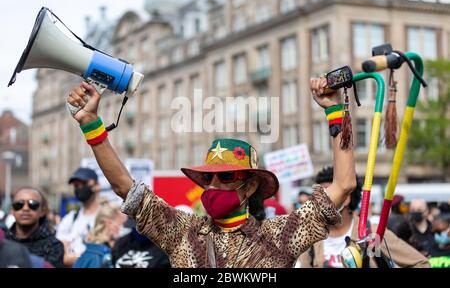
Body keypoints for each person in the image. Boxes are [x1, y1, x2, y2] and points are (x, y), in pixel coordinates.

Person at [65, 77, 356, 268]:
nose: (214, 184)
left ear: (251, 186)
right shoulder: (181, 231)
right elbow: (125, 188)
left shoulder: (278, 235)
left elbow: (343, 185)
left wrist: (334, 112)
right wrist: (91, 123)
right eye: (208, 177)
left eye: (227, 176)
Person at [298, 167, 430, 268]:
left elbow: (421, 263)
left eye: (327, 192)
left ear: (346, 199)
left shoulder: (372, 235)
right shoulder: (311, 239)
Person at [5, 187, 64, 268]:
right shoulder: (3, 241)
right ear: (12, 211)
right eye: (19, 204)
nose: (25, 208)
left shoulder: (54, 246)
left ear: (42, 211)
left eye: (33, 204)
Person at [56, 167, 101, 266]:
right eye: (76, 185)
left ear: (97, 186)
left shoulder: (107, 217)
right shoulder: (70, 218)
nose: (79, 188)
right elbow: (60, 254)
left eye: (84, 184)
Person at [73, 200, 127, 268]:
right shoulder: (105, 257)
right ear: (110, 224)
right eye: (123, 224)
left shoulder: (88, 251)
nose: (124, 228)